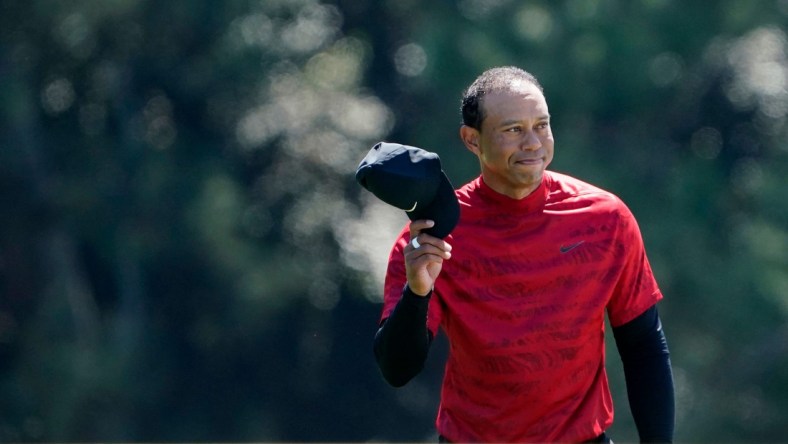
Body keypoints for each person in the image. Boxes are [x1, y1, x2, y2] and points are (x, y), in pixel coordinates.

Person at [372, 66, 675, 443]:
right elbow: (397, 369)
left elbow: (643, 346)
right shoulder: (432, 240)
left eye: (542, 125)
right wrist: (417, 293)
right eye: (513, 130)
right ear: (472, 140)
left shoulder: (605, 220)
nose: (533, 142)